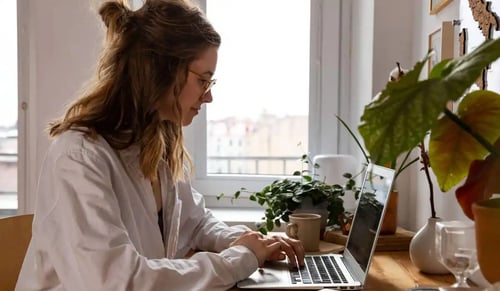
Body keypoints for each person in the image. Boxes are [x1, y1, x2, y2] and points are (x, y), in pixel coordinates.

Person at [15, 0, 305, 290]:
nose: (208, 97)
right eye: (203, 81)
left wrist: (249, 243)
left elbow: (195, 222)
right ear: (161, 70)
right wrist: (239, 258)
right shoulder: (79, 157)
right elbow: (118, 282)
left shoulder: (155, 141)